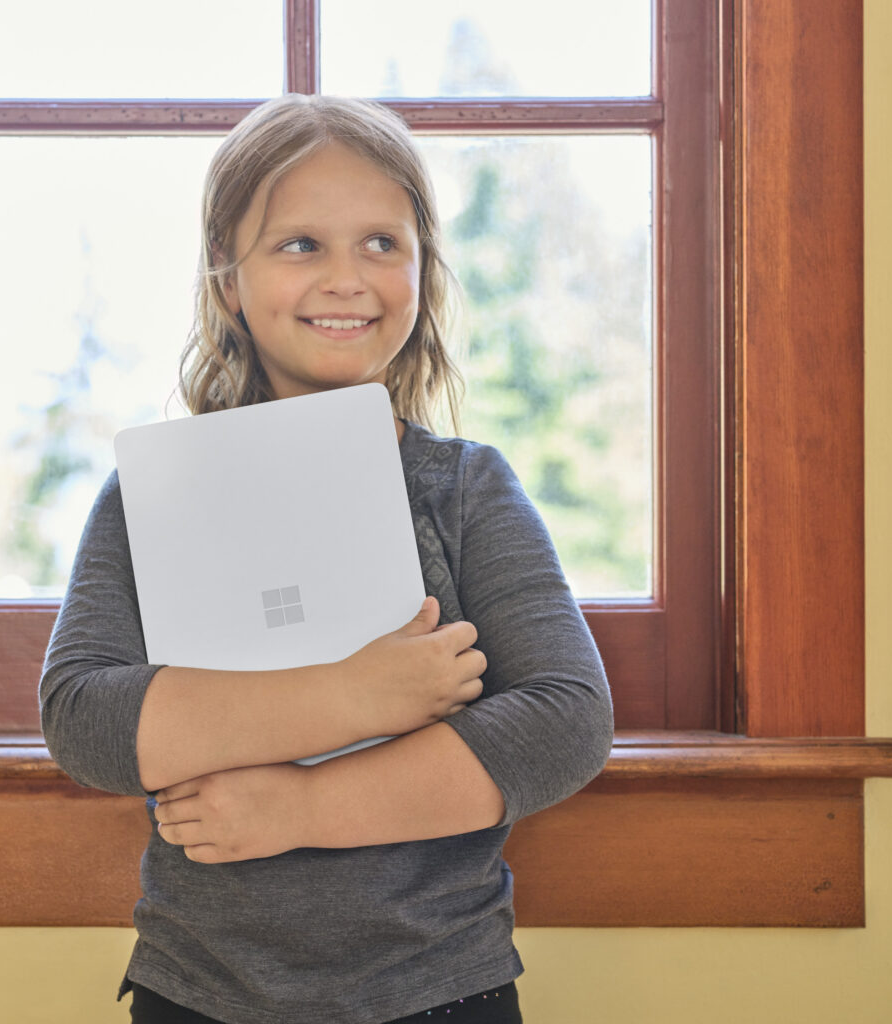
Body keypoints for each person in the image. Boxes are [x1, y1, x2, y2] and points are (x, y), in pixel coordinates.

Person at [40, 93, 613, 1024]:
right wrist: (352, 697)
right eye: (300, 244)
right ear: (228, 280)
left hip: (441, 989)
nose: (346, 278)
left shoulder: (463, 490)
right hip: (198, 993)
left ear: (422, 270)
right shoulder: (153, 494)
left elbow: (564, 722)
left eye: (381, 243)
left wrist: (300, 809)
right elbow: (85, 718)